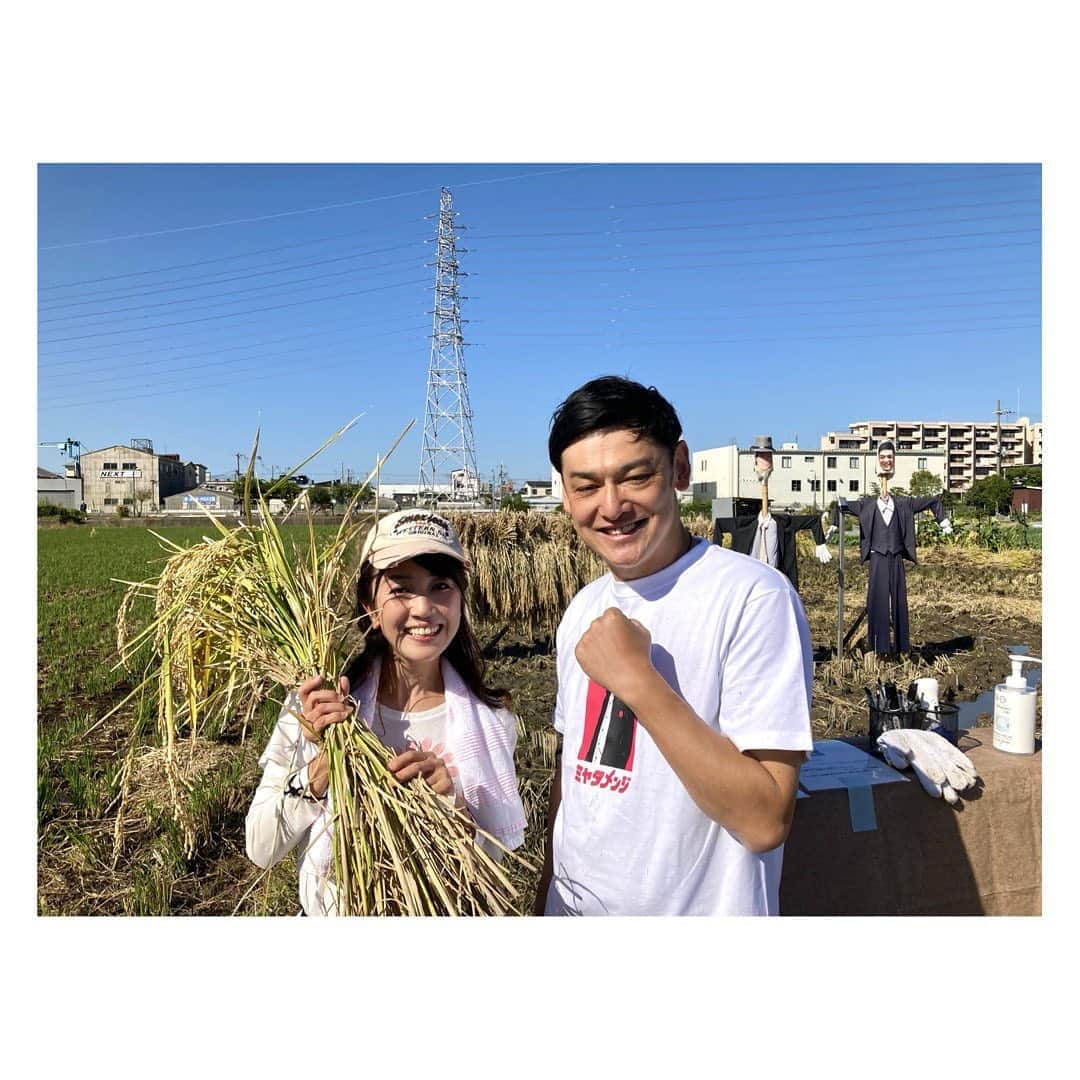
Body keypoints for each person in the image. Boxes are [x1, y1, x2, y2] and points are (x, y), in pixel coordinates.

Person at [535, 376, 814, 916]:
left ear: (679, 469)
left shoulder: (752, 598)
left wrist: (639, 681)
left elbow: (764, 820)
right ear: (565, 494)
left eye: (635, 477)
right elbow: (572, 788)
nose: (612, 507)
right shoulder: (582, 610)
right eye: (587, 486)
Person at [246, 509, 527, 916]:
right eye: (401, 589)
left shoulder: (492, 722)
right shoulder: (315, 711)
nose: (424, 608)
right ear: (370, 607)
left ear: (461, 599)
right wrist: (321, 771)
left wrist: (450, 804)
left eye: (441, 586)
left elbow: (491, 872)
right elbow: (261, 848)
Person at [826, 439, 952, 656]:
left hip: (896, 557)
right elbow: (841, 504)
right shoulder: (867, 505)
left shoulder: (904, 504)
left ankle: (901, 646)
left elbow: (933, 500)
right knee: (877, 601)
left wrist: (942, 520)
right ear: (877, 460)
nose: (886, 460)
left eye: (889, 457)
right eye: (882, 457)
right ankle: (878, 646)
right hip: (877, 557)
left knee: (900, 602)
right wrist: (834, 526)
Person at [712, 434, 832, 591]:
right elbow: (720, 524)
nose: (764, 459)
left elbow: (813, 520)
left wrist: (820, 542)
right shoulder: (744, 525)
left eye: (767, 455)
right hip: (749, 587)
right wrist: (716, 556)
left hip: (776, 586)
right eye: (760, 455)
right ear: (755, 463)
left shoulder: (783, 523)